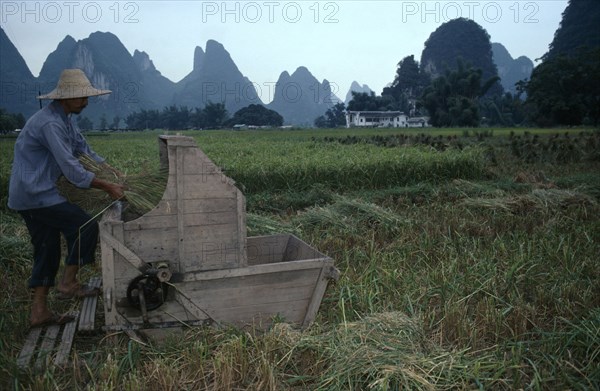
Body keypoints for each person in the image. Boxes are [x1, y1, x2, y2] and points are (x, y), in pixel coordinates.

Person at [8, 69, 125, 328]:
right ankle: (68, 283)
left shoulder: (65, 119)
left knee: (47, 249)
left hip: (35, 192)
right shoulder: (50, 124)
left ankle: (39, 311)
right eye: (81, 97)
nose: (86, 101)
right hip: (35, 194)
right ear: (65, 98)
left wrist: (108, 169)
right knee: (84, 226)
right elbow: (71, 168)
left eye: (87, 96)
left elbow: (82, 148)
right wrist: (106, 186)